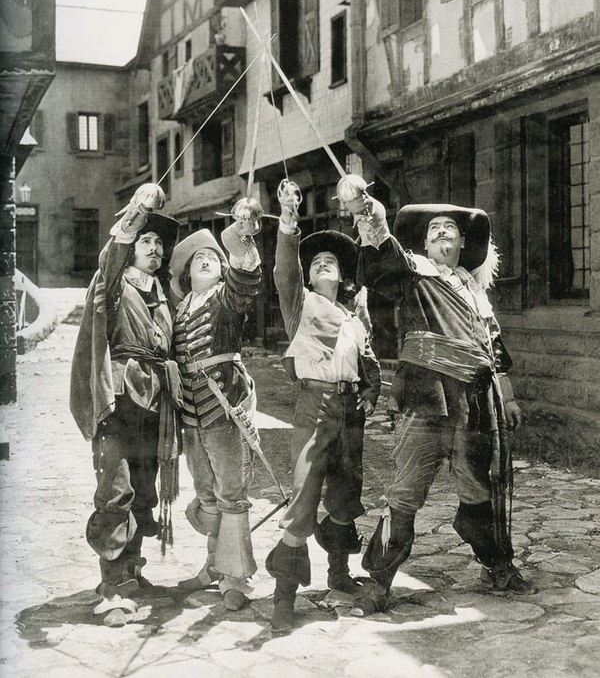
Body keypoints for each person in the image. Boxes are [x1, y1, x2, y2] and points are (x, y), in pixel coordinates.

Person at [336, 174, 536, 618]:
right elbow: (383, 251)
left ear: (464, 243)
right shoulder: (414, 273)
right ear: (425, 245)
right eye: (433, 229)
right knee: (405, 493)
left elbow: (495, 353)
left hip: (476, 404)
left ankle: (495, 563)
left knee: (479, 490)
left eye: (450, 228)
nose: (441, 232)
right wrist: (366, 211)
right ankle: (379, 583)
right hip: (425, 397)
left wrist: (509, 397)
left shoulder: (477, 295)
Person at [265, 180, 381, 633]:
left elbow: (367, 358)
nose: (323, 264)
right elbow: (284, 272)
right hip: (314, 410)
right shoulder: (301, 304)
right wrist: (289, 221)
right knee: (304, 496)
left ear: (342, 273)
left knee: (344, 496)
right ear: (310, 276)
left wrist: (370, 392)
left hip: (350, 412)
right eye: (316, 263)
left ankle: (338, 575)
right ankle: (283, 597)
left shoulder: (354, 315)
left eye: (331, 260)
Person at [70, 183, 181, 627]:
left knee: (143, 492)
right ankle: (111, 588)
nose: (154, 249)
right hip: (116, 400)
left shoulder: (164, 296)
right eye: (146, 240)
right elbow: (111, 255)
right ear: (133, 246)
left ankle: (131, 572)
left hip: (155, 406)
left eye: (159, 243)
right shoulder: (113, 285)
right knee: (115, 492)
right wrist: (139, 209)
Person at [169, 199, 263, 611]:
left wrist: (241, 238)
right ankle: (212, 565)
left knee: (231, 493)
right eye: (197, 260)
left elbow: (245, 280)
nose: (206, 261)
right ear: (186, 274)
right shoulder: (177, 311)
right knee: (205, 492)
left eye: (212, 257)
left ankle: (236, 578)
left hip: (224, 407)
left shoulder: (226, 299)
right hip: (190, 414)